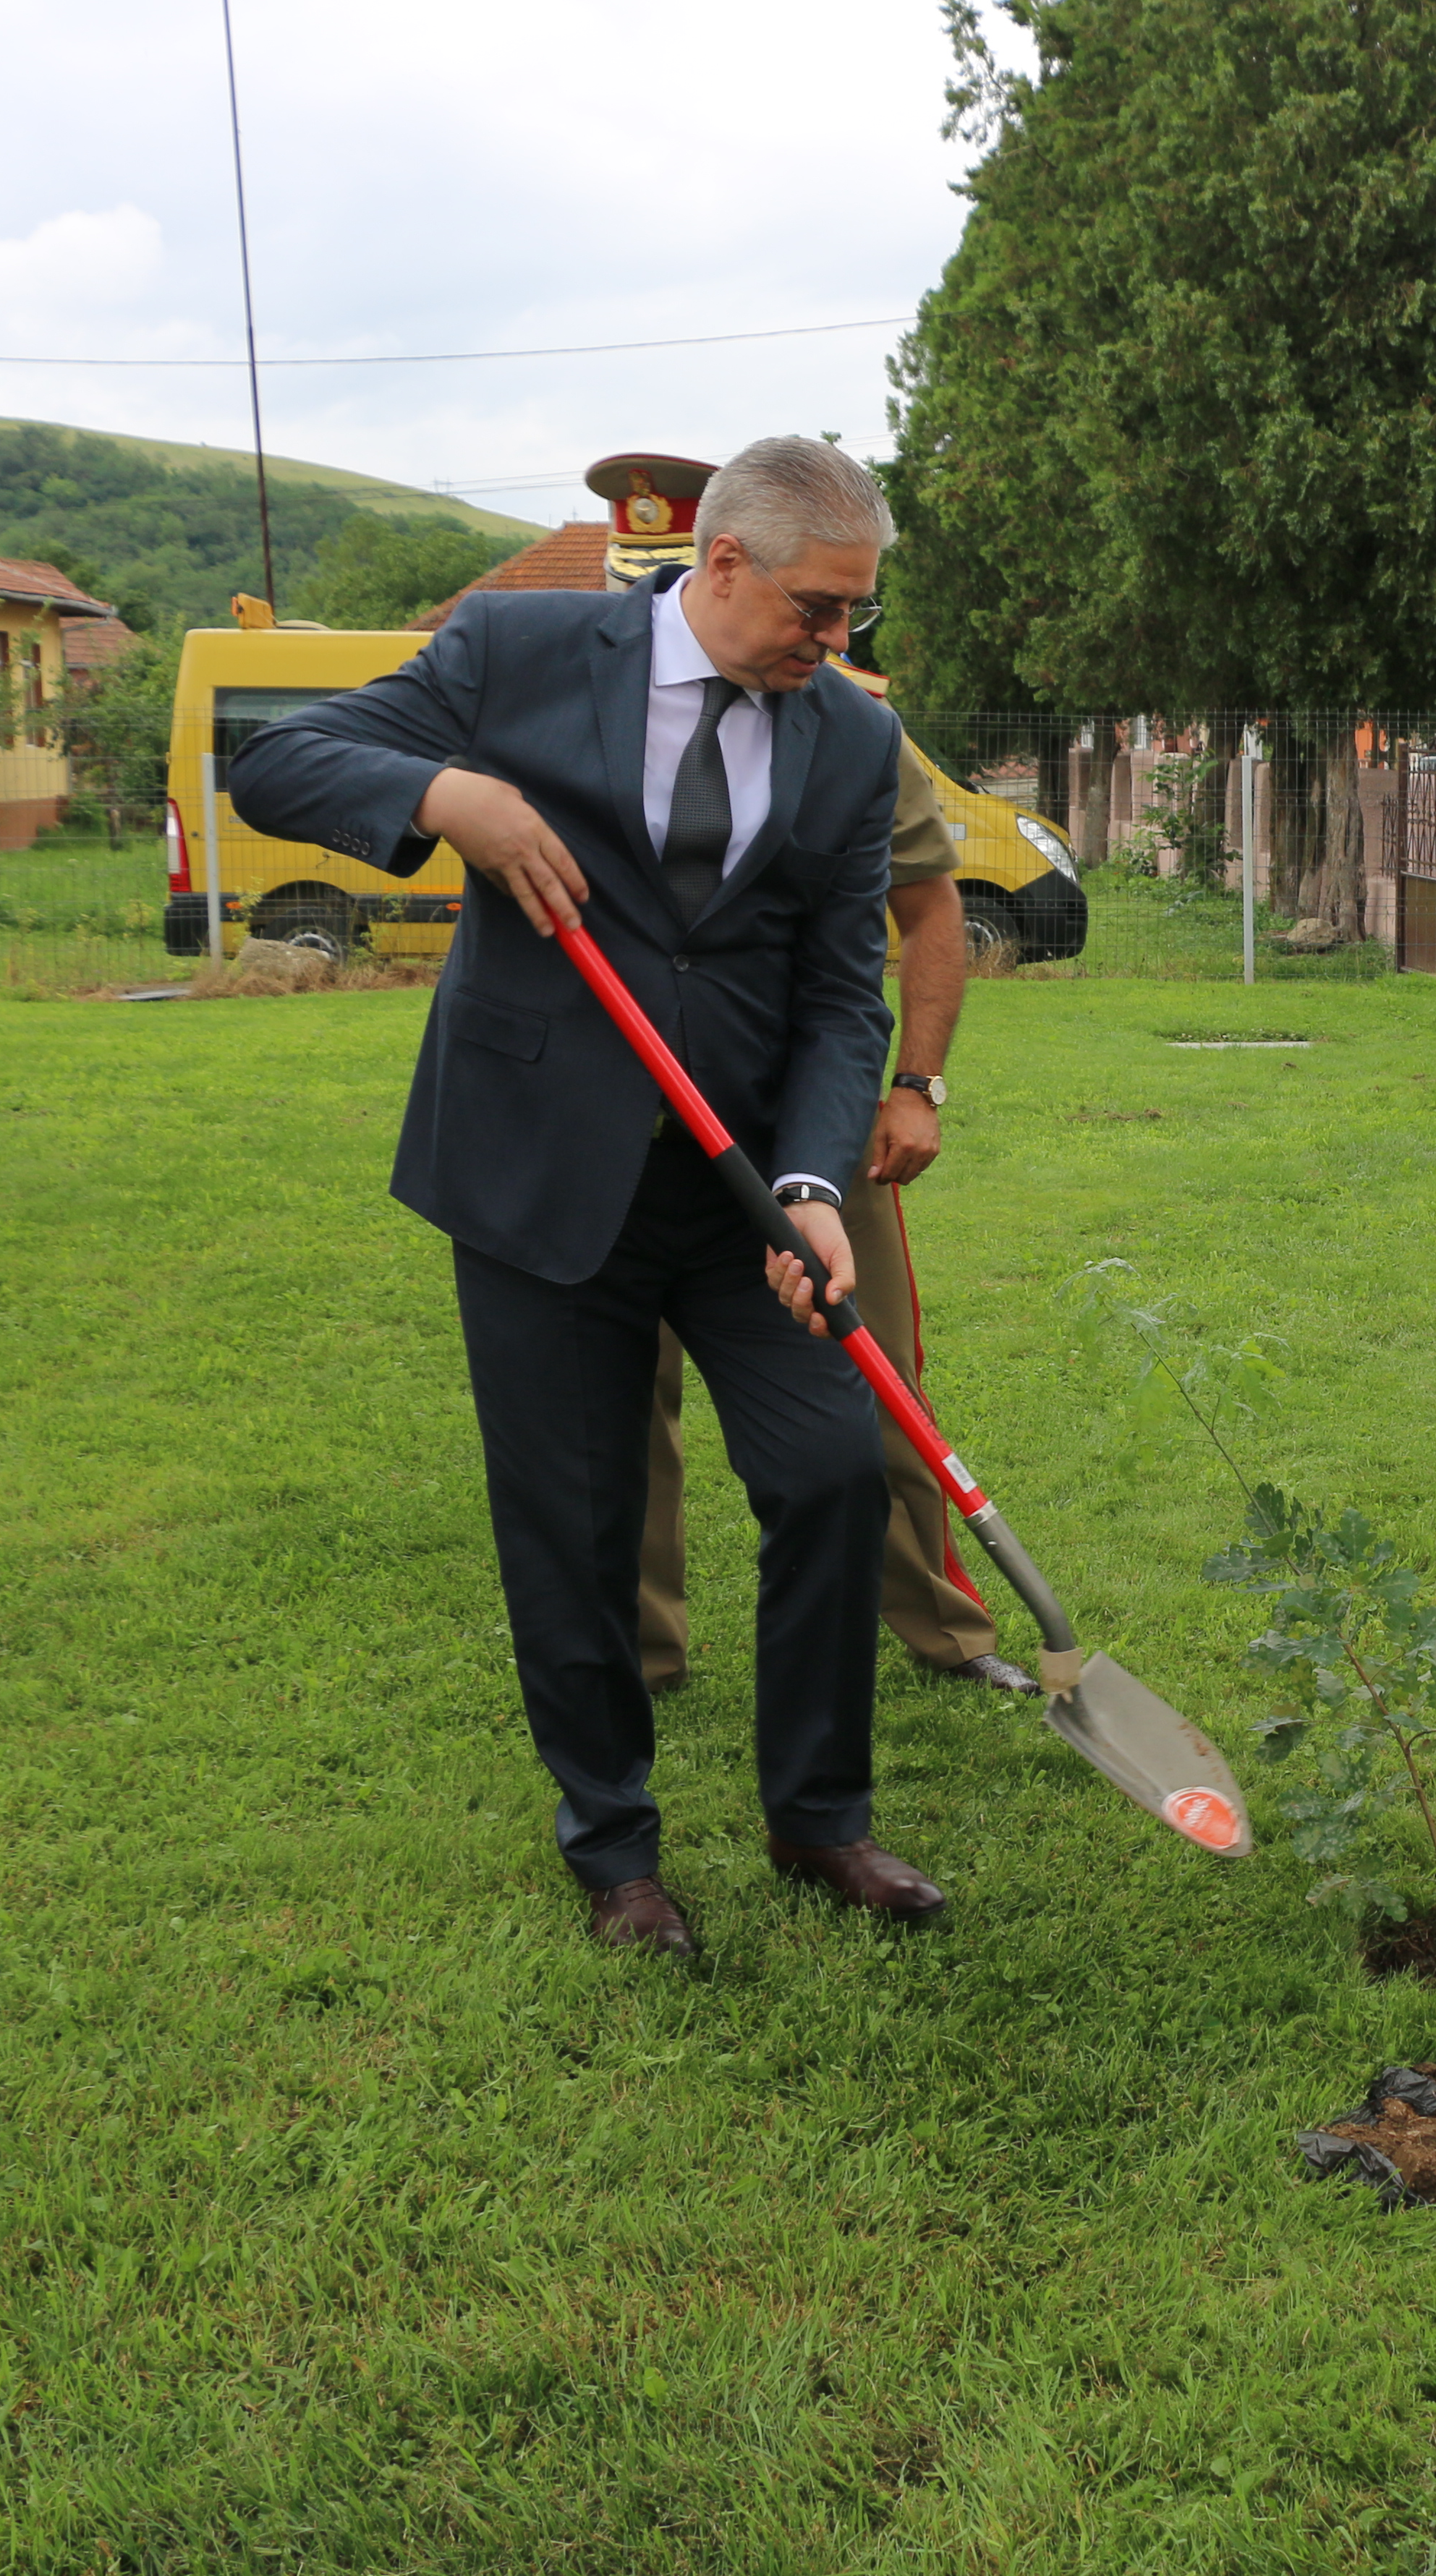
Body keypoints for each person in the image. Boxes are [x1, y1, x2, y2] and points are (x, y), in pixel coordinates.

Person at [228, 435, 946, 1957]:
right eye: (819, 610)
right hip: (541, 1171)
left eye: (857, 617)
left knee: (829, 1471)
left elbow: (838, 994)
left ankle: (820, 1820)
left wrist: (812, 1185)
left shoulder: (849, 741)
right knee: (576, 1519)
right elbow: (274, 759)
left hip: (746, 1188)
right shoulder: (518, 651)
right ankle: (613, 1847)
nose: (837, 645)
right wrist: (449, 796)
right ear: (726, 563)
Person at [639, 729, 1028, 1699]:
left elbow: (930, 911)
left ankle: (946, 1628)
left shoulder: (850, 736)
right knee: (619, 1402)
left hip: (813, 1104)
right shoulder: (588, 709)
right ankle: (638, 1654)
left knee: (874, 1372)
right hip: (630, 1121)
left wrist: (918, 1085)